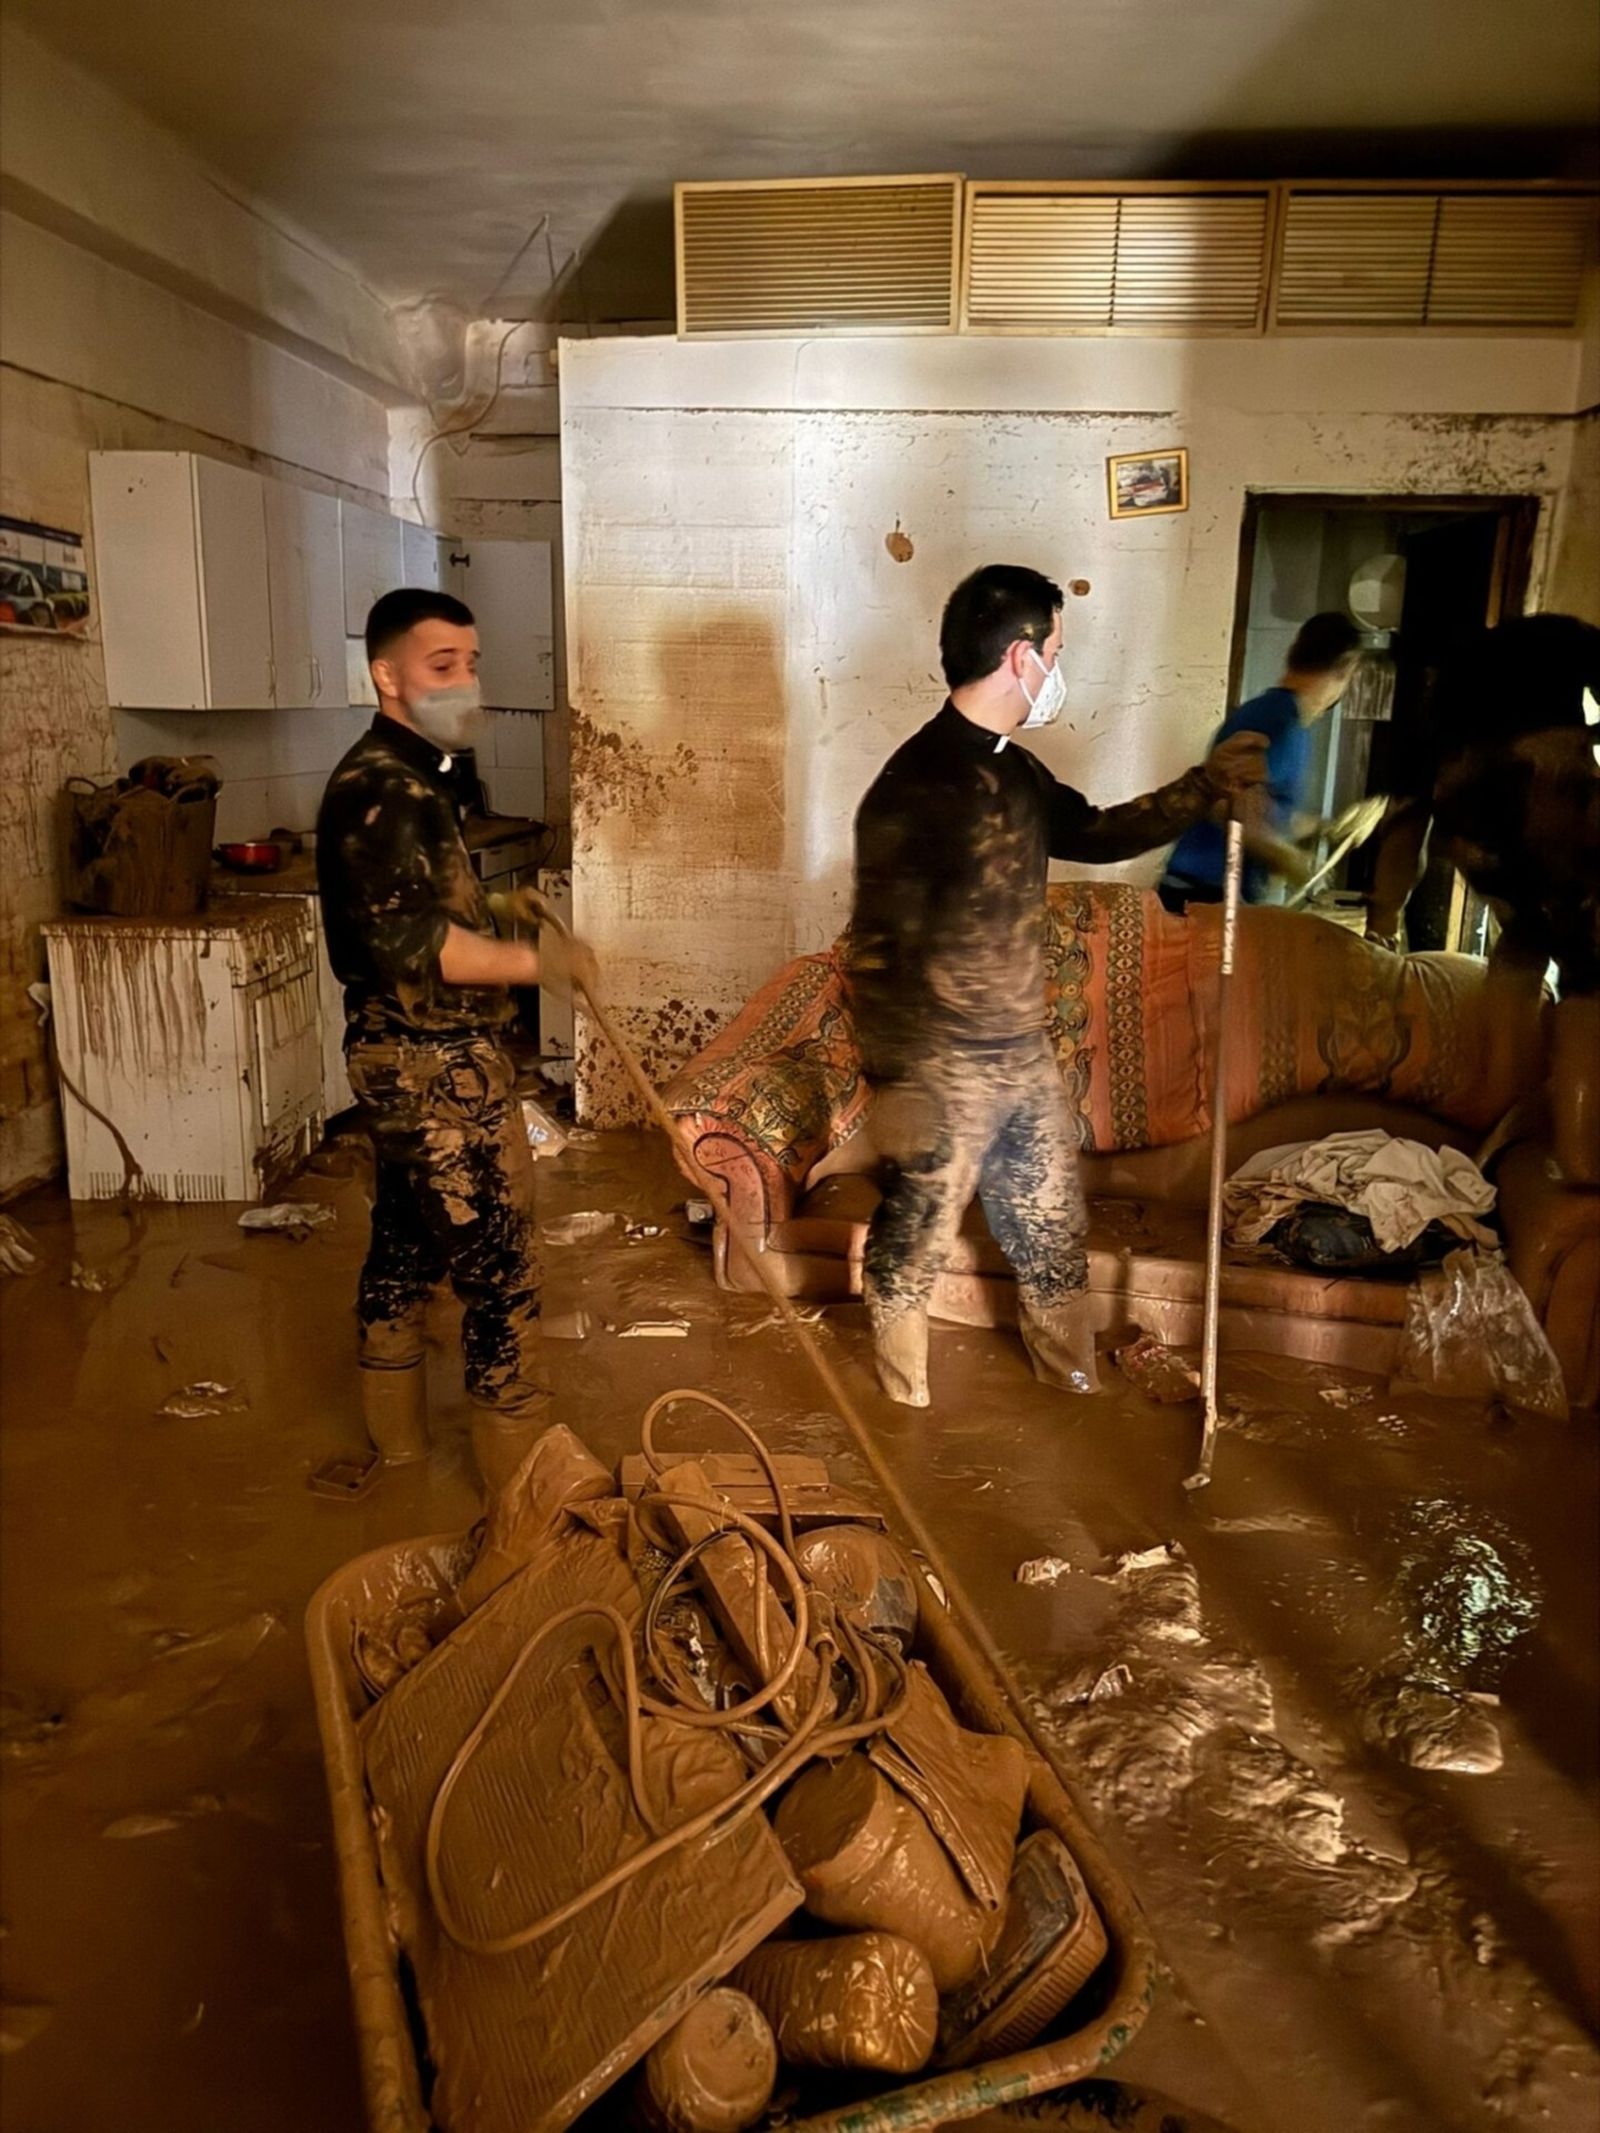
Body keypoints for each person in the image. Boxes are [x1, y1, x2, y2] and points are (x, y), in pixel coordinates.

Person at [847, 563, 1269, 1408]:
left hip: (1020, 1057)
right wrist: (897, 1082)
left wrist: (1202, 788)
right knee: (912, 1241)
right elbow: (876, 952)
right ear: (1021, 655)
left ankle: (1071, 1396)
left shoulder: (1020, 772)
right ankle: (902, 1416)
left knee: (1049, 1234)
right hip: (942, 1066)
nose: (1060, 669)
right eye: (1058, 650)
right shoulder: (909, 791)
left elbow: (1100, 832)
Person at [316, 588, 597, 1491]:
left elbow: (428, 907)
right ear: (387, 674)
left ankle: (396, 1460)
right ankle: (526, 1513)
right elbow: (434, 951)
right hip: (437, 1071)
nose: (464, 681)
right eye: (442, 665)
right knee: (504, 1278)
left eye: (471, 663)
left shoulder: (416, 775)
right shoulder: (386, 789)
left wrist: (502, 905)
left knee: (403, 1250)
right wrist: (540, 961)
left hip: (399, 1065)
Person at [1365, 613, 1600, 1183]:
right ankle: (1578, 1154)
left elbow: (1403, 827)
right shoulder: (1569, 650)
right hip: (1538, 809)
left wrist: (1383, 928)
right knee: (1581, 969)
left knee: (1524, 947)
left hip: (1478, 831)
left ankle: (1510, 1118)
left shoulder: (1447, 702)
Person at [1158, 612, 1362, 910]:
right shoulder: (1277, 723)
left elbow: (1265, 812)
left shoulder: (1280, 716)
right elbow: (1222, 806)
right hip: (1201, 894)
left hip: (1212, 894)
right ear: (1347, 668)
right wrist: (1287, 858)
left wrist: (1329, 828)